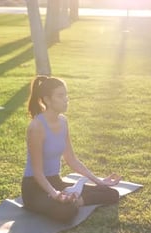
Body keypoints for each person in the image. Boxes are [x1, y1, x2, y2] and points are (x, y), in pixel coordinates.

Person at [21, 75, 121, 223]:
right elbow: (37, 173)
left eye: (66, 95)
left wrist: (98, 181)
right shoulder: (36, 127)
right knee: (65, 212)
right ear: (47, 100)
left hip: (55, 181)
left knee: (111, 193)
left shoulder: (63, 121)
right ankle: (71, 203)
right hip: (35, 188)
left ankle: (75, 201)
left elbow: (71, 159)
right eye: (60, 96)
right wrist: (55, 194)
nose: (66, 99)